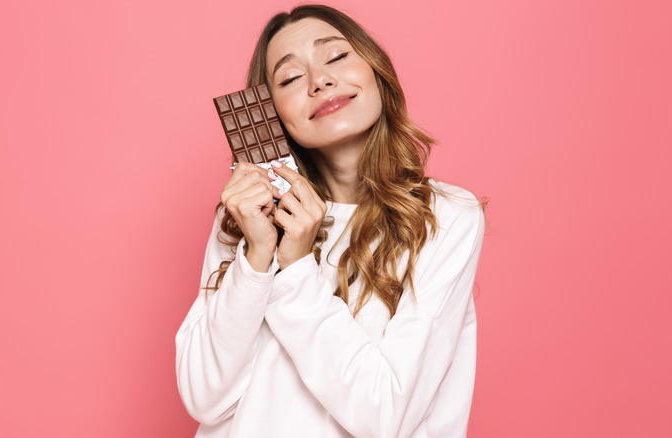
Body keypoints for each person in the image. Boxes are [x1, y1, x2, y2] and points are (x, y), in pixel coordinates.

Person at [176, 4, 485, 437]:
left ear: (375, 69)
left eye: (336, 57)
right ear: (272, 111)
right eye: (289, 78)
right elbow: (204, 399)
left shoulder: (445, 216)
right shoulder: (246, 218)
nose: (320, 81)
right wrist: (258, 255)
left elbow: (383, 417)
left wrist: (297, 268)